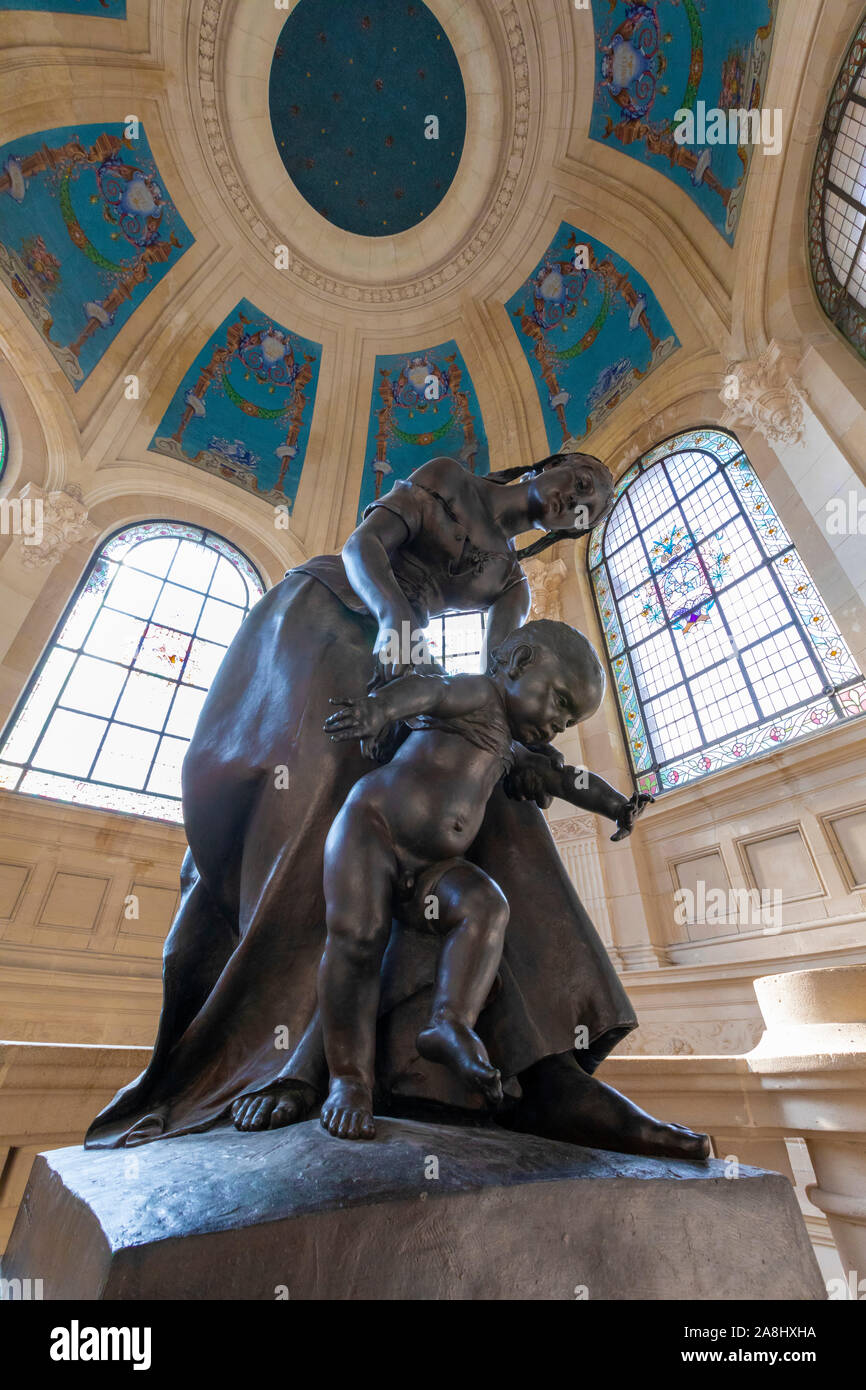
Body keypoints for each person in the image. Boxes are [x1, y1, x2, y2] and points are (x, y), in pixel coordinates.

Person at [85, 450, 708, 1162]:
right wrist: (397, 625)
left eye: (593, 510)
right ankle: (294, 1060)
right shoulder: (449, 481)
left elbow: (498, 695)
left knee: (497, 794)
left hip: (408, 666)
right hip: (334, 615)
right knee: (340, 763)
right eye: (586, 484)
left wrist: (533, 762)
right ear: (555, 466)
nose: (583, 503)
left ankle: (538, 1064)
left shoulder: (511, 588)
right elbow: (363, 549)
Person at [319, 620, 652, 1141]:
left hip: (431, 870)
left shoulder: (511, 749)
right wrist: (379, 710)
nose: (558, 723)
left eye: (569, 720)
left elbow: (566, 780)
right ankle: (348, 1080)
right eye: (559, 701)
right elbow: (430, 689)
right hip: (373, 832)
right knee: (355, 944)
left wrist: (615, 804)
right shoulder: (476, 694)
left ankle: (448, 1022)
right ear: (518, 665)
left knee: (486, 906)